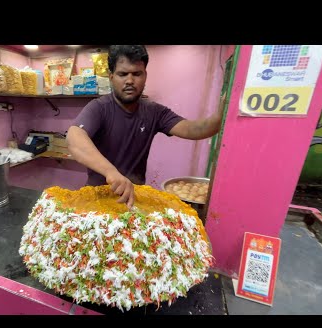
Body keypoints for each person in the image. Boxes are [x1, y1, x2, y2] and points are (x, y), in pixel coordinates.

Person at [66, 45, 225, 209]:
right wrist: (111, 172)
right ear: (111, 77)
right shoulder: (99, 108)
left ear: (145, 76)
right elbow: (74, 138)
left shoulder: (154, 111)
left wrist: (221, 114)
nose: (129, 80)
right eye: (122, 74)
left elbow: (193, 129)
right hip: (97, 199)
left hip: (135, 199)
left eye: (136, 74)